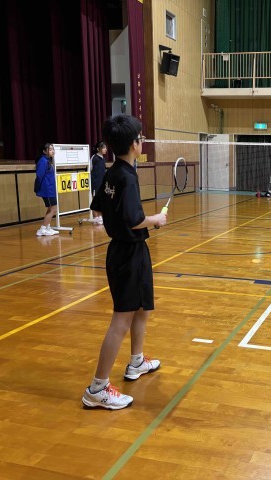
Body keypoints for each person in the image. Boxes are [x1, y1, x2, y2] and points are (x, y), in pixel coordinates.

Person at [81, 114, 167, 410]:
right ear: (134, 144)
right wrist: (156, 219)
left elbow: (98, 207)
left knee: (142, 309)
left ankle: (137, 362)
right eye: (141, 138)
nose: (142, 142)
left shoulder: (113, 173)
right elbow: (134, 220)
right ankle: (97, 388)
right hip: (128, 254)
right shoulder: (127, 178)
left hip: (124, 251)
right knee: (121, 320)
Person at [34, 143, 59, 236]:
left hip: (51, 189)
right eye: (50, 149)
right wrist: (37, 188)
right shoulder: (43, 161)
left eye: (53, 149)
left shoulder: (48, 161)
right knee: (53, 209)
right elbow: (39, 176)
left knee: (51, 208)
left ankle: (47, 227)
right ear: (44, 151)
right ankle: (42, 229)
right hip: (47, 190)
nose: (53, 151)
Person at [90, 141, 108, 224]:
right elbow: (90, 169)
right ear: (98, 149)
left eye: (105, 147)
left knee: (101, 200)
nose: (105, 149)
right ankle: (95, 217)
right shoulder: (94, 158)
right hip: (95, 183)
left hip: (102, 183)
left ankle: (100, 217)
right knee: (95, 200)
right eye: (103, 147)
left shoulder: (103, 159)